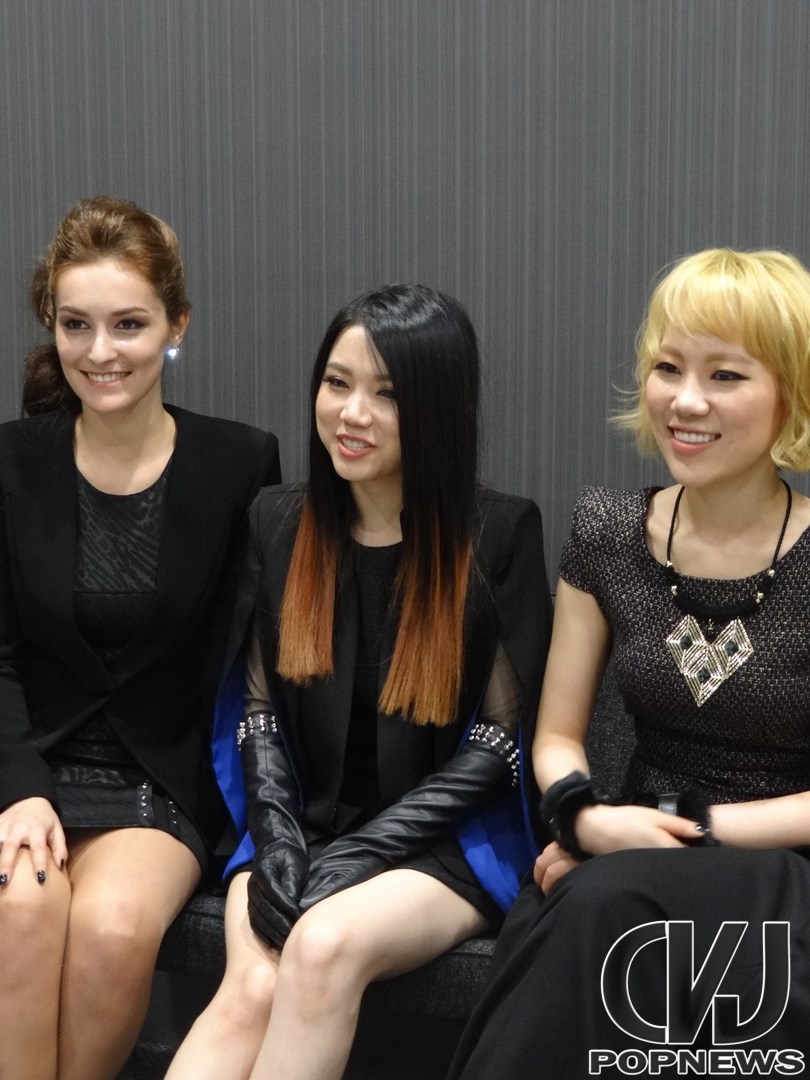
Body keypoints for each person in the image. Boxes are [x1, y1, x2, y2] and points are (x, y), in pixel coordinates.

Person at [166, 283, 552, 1080]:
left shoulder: (497, 533)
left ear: (437, 409)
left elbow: (496, 747)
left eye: (387, 394)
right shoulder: (279, 521)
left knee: (320, 947)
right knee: (250, 982)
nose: (352, 413)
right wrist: (279, 841)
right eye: (337, 383)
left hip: (448, 844)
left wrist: (364, 852)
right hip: (299, 823)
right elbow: (257, 711)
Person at [447, 248, 810, 1078]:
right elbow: (556, 736)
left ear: (791, 392)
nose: (686, 400)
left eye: (725, 375)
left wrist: (678, 831)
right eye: (668, 367)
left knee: (611, 905)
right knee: (584, 912)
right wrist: (584, 818)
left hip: (779, 864)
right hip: (625, 845)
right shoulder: (608, 529)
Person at [0, 195, 280, 1080]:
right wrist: (19, 790)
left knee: (113, 928)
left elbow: (247, 658)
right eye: (75, 325)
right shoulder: (11, 461)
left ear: (175, 325)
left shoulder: (239, 462)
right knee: (21, 904)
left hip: (158, 778)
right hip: (29, 767)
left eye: (128, 324)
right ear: (52, 324)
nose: (100, 351)